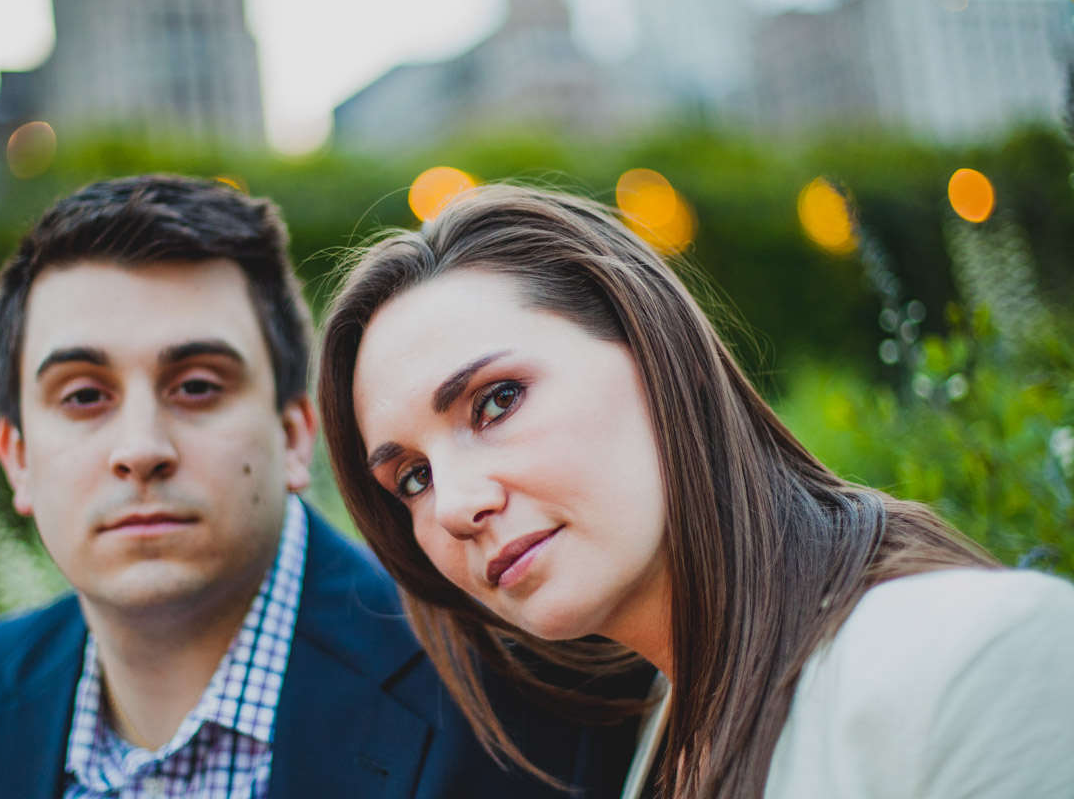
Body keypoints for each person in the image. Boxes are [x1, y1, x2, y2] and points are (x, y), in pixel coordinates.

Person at [0, 175, 642, 798]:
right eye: (83, 396)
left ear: (293, 433)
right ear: (16, 459)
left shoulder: (525, 700)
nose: (141, 450)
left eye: (198, 385)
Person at [316, 184, 1074, 798]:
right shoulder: (657, 740)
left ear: (654, 349)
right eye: (410, 478)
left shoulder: (976, 663)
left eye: (497, 401)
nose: (452, 506)